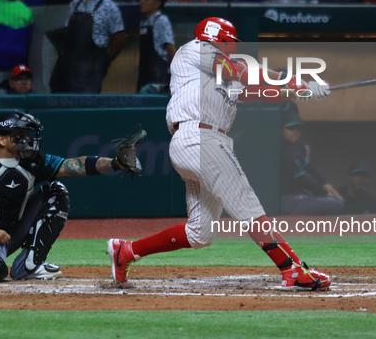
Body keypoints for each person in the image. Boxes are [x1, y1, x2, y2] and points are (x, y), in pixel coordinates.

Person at [107, 17, 333, 291]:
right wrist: (294, 79)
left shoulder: (217, 76)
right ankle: (293, 270)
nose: (233, 48)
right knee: (245, 202)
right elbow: (240, 71)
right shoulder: (196, 49)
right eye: (230, 43)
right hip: (201, 138)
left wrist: (300, 92)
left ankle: (126, 251)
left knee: (199, 233)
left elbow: (254, 91)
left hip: (199, 141)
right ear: (219, 38)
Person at [0, 111, 140, 282]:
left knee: (56, 191)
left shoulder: (34, 160)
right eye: (19, 136)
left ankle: (29, 265)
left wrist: (115, 163)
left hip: (11, 233)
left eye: (27, 135)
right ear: (2, 139)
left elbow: (74, 165)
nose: (27, 140)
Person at [50, 0, 126, 93]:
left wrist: (105, 61)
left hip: (91, 68)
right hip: (68, 64)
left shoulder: (109, 7)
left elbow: (119, 38)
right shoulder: (75, 3)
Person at [279, 110, 344, 215]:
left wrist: (325, 184)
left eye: (298, 129)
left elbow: (309, 167)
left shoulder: (299, 146)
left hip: (303, 196)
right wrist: (323, 193)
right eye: (291, 128)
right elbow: (300, 177)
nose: (295, 131)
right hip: (288, 199)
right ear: (282, 130)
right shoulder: (282, 149)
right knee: (334, 203)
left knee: (336, 202)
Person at [137, 0, 177, 94]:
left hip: (158, 77)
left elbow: (170, 49)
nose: (141, 1)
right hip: (144, 75)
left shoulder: (161, 21)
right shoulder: (144, 22)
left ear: (157, 4)